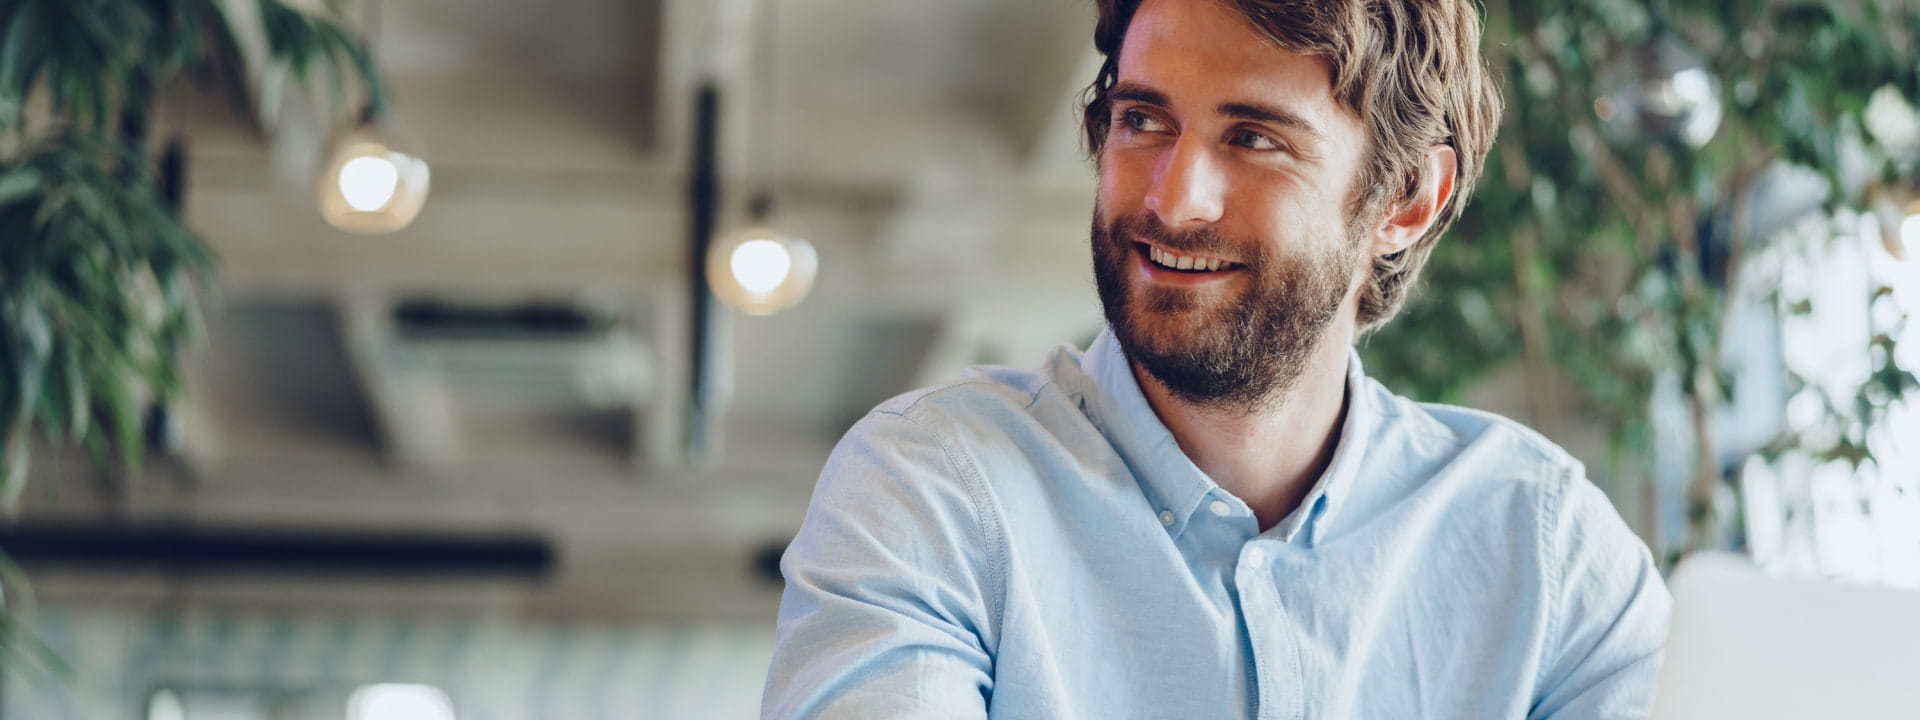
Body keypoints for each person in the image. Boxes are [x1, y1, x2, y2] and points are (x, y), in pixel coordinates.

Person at [761, 0, 1670, 717]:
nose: (1174, 198)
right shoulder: (934, 490)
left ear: (1405, 201)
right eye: (1144, 120)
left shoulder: (1547, 551)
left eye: (1255, 138)